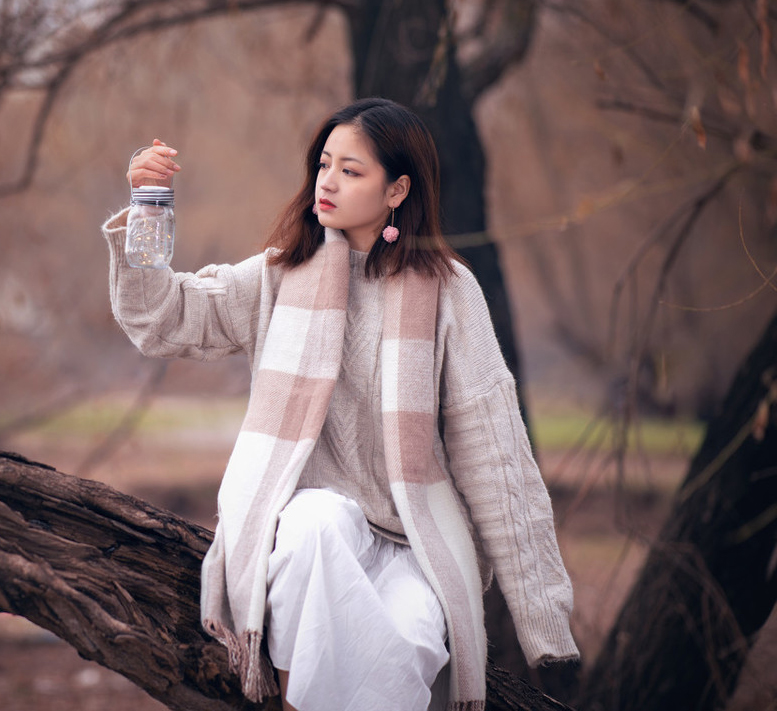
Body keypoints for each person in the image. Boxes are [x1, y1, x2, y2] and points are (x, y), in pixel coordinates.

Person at [103, 98, 579, 711]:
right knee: (315, 527)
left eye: (351, 171)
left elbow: (495, 452)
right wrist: (149, 206)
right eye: (324, 164)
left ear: (397, 190)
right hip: (313, 530)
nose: (327, 182)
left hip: (414, 542)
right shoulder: (281, 274)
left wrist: (543, 615)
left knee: (408, 643)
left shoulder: (450, 292)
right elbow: (159, 319)